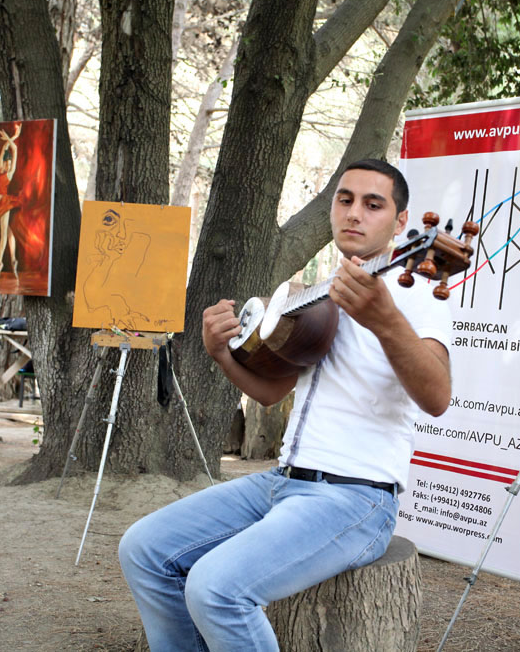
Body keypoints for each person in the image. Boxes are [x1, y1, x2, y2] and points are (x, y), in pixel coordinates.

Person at [118, 158, 452, 651]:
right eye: (345, 200)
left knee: (216, 589)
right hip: (284, 482)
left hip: (357, 499)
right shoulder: (321, 296)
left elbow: (437, 397)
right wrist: (219, 354)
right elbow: (273, 392)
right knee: (143, 549)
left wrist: (385, 321)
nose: (354, 213)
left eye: (373, 204)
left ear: (402, 223)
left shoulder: (415, 287)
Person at [0, 122, 22, 283]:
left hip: (4, 203)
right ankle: (14, 259)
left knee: (4, 233)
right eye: (7, 163)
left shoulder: (9, 174)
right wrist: (12, 138)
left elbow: (14, 150)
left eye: (10, 164)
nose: (8, 166)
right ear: (3, 163)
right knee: (9, 232)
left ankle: (0, 261)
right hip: (0, 204)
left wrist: (13, 138)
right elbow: (5, 149)